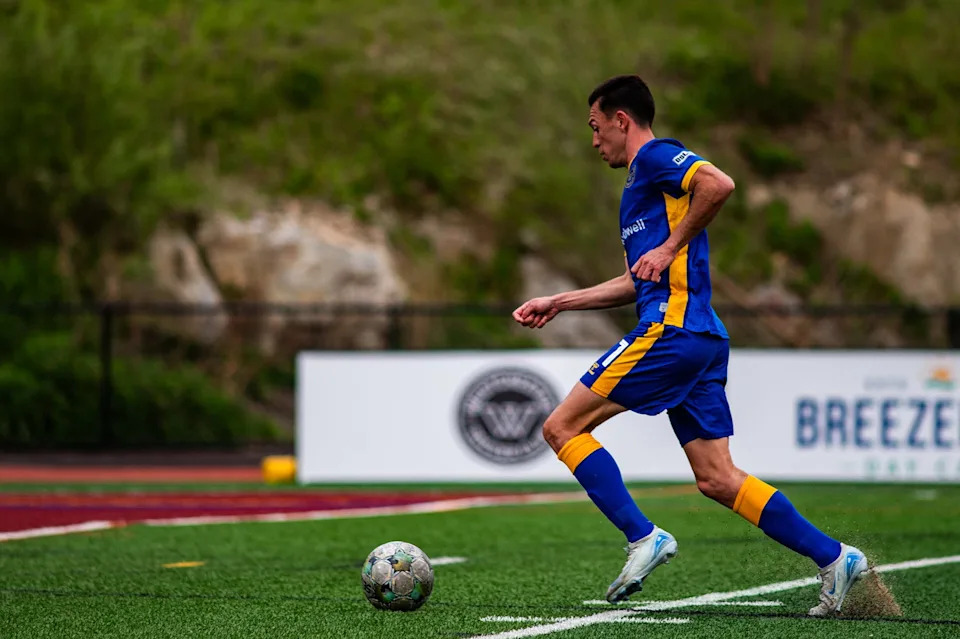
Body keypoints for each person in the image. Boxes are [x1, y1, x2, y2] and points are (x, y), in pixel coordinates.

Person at [511, 75, 867, 617]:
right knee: (718, 479)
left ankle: (642, 537)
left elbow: (719, 184)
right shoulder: (641, 187)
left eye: (595, 126)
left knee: (561, 427)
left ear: (621, 120)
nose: (594, 140)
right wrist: (560, 300)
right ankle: (835, 557)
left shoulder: (655, 157)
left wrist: (672, 245)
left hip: (670, 332)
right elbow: (639, 277)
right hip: (699, 337)